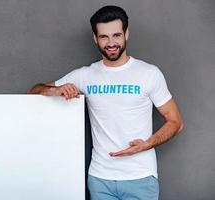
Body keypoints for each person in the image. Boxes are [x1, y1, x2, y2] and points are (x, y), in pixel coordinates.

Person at [28, 5, 183, 200]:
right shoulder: (85, 75)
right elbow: (34, 91)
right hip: (100, 179)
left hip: (140, 177)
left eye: (116, 35)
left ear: (126, 34)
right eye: (104, 37)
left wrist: (147, 144)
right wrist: (54, 90)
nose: (111, 43)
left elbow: (176, 121)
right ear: (95, 38)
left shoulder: (149, 74)